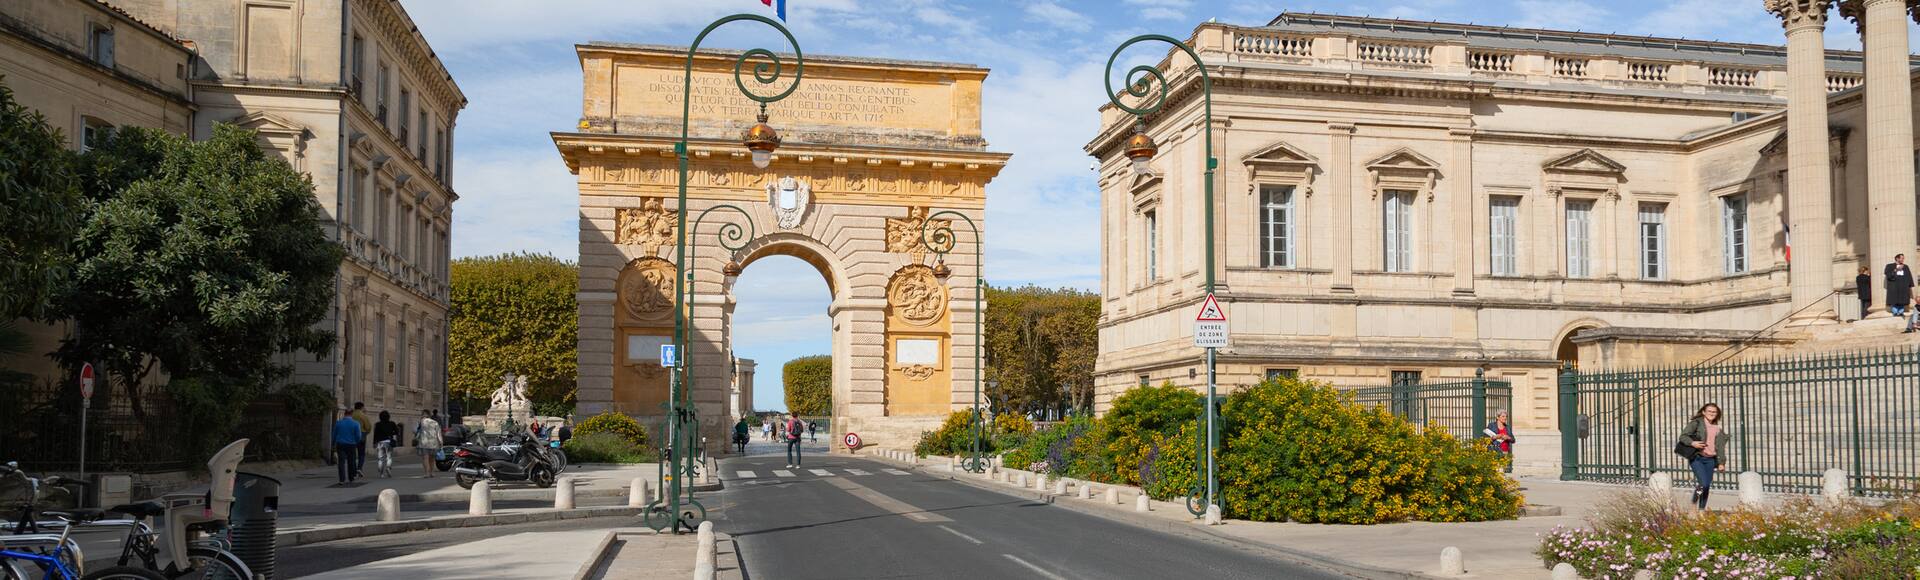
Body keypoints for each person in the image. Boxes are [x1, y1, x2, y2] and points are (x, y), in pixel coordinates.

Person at [1677, 403, 1732, 510]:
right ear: (1704, 412)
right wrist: (1692, 443)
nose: (1712, 413)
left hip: (1710, 460)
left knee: (1706, 486)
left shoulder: (1717, 428)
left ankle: (1701, 510)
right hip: (1697, 458)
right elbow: (1683, 436)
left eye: (1714, 412)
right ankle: (1694, 503)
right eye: (1710, 411)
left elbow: (1720, 448)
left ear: (1717, 414)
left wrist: (1721, 463)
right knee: (1703, 484)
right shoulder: (1696, 423)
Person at [331, 412, 364, 484]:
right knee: (351, 461)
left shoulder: (338, 423)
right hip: (351, 444)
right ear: (351, 415)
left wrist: (333, 443)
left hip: (340, 444)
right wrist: (356, 442)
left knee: (341, 462)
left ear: (344, 414)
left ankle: (342, 479)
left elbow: (334, 434)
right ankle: (351, 478)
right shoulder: (356, 423)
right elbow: (358, 435)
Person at [372, 411, 401, 478]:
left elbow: (375, 434)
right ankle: (388, 467)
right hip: (389, 442)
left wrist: (374, 443)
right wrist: (391, 434)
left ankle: (381, 474)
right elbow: (397, 432)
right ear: (388, 416)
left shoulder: (378, 424)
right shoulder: (392, 423)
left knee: (381, 458)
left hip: (380, 442)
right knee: (389, 457)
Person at [415, 410, 442, 479]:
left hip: (424, 442)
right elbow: (438, 433)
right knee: (432, 459)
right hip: (434, 443)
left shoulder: (421, 422)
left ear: (423, 415)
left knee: (425, 458)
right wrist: (441, 442)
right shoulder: (435, 423)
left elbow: (415, 430)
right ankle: (432, 472)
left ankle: (427, 473)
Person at [350, 402, 372, 479]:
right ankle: (359, 468)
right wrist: (366, 433)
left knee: (352, 454)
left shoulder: (351, 415)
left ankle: (353, 470)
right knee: (361, 454)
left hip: (352, 436)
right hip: (362, 435)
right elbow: (368, 427)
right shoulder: (363, 416)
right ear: (362, 407)